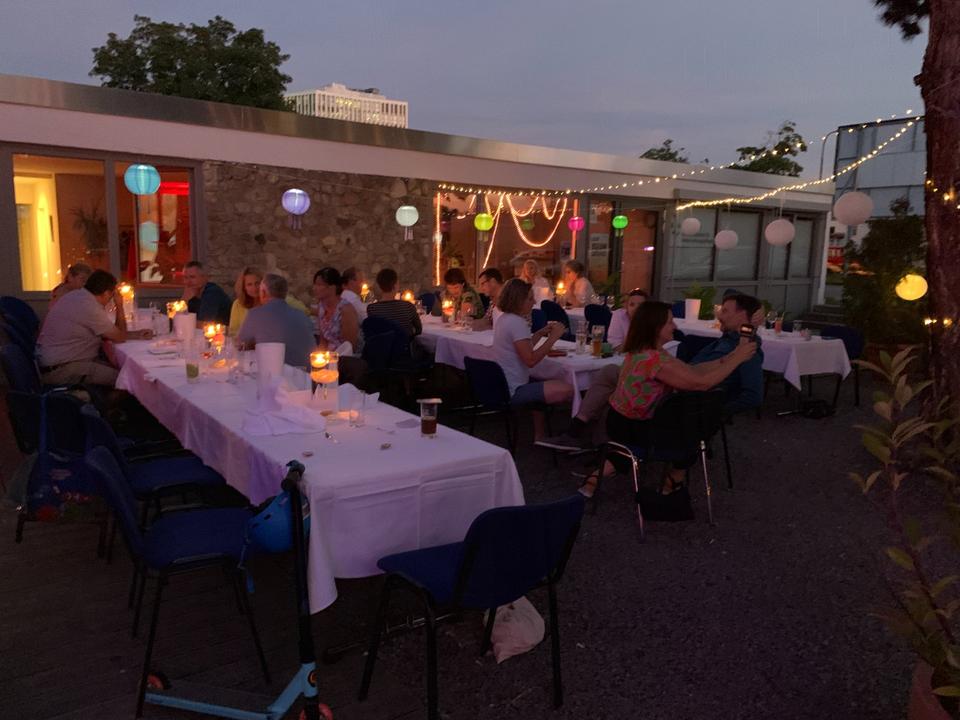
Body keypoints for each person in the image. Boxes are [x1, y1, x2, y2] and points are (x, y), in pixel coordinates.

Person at [578, 301, 756, 514]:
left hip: (621, 421)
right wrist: (737, 359)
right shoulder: (654, 360)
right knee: (696, 429)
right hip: (633, 428)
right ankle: (671, 483)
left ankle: (595, 479)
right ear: (656, 327)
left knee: (688, 424)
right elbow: (701, 383)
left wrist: (727, 359)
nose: (675, 326)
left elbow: (691, 371)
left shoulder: (646, 351)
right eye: (670, 322)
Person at [537, 292, 765, 454]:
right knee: (612, 377)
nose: (719, 315)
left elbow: (745, 393)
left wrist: (713, 412)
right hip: (672, 394)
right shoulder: (663, 355)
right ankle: (594, 442)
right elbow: (695, 372)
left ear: (742, 316)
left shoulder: (746, 349)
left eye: (724, 311)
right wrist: (731, 358)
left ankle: (593, 442)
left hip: (681, 404)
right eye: (670, 323)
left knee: (614, 382)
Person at [36, 269, 153, 387]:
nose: (111, 299)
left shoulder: (77, 296)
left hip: (57, 363)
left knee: (123, 371)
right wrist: (119, 305)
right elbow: (119, 337)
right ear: (107, 293)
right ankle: (107, 399)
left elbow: (113, 334)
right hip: (62, 369)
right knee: (126, 379)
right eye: (112, 295)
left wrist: (136, 334)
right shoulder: (89, 306)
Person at [493, 278, 573, 441]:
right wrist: (553, 338)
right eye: (530, 299)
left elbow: (521, 348)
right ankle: (571, 433)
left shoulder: (504, 319)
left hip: (502, 385)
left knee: (542, 381)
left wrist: (539, 334)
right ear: (518, 301)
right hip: (515, 389)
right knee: (568, 389)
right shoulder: (517, 323)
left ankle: (540, 435)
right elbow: (530, 360)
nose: (534, 302)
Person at [237, 273, 315, 367]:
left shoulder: (255, 314)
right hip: (306, 372)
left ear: (263, 293)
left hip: (276, 371)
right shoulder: (302, 315)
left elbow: (241, 344)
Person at [313, 267, 360, 351]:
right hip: (329, 355)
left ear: (332, 287)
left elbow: (349, 346)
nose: (314, 288)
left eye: (319, 285)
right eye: (315, 284)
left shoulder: (345, 310)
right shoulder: (321, 307)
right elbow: (323, 341)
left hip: (345, 355)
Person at [366, 268, 422, 339]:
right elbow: (419, 330)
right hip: (403, 345)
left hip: (383, 345)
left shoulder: (372, 309)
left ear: (379, 286)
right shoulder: (408, 306)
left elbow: (373, 332)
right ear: (395, 286)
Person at [229, 267, 263, 336]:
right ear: (243, 287)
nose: (254, 288)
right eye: (249, 284)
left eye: (257, 283)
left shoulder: (270, 302)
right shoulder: (238, 304)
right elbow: (232, 331)